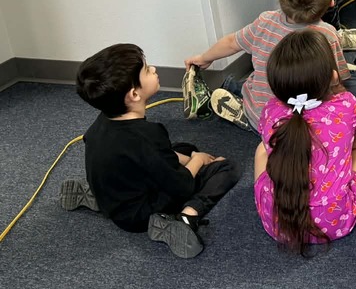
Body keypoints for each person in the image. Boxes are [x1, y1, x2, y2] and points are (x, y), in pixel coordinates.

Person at [65, 44, 240, 258]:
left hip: (113, 198)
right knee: (226, 168)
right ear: (134, 94)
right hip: (140, 215)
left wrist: (190, 156)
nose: (154, 69)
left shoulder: (102, 121)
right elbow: (182, 185)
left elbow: (154, 155)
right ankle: (186, 218)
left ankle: (97, 196)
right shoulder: (147, 136)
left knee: (184, 149)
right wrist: (199, 160)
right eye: (147, 69)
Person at [185, 0, 356, 130]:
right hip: (305, 123)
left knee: (252, 84)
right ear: (331, 3)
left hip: (264, 115)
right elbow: (337, 81)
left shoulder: (264, 21)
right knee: (353, 84)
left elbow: (231, 43)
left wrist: (203, 58)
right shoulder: (328, 34)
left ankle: (247, 113)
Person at [254, 30, 356, 255]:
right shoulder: (346, 105)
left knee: (261, 148)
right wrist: (339, 149)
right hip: (334, 219)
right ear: (333, 77)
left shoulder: (271, 110)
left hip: (277, 220)